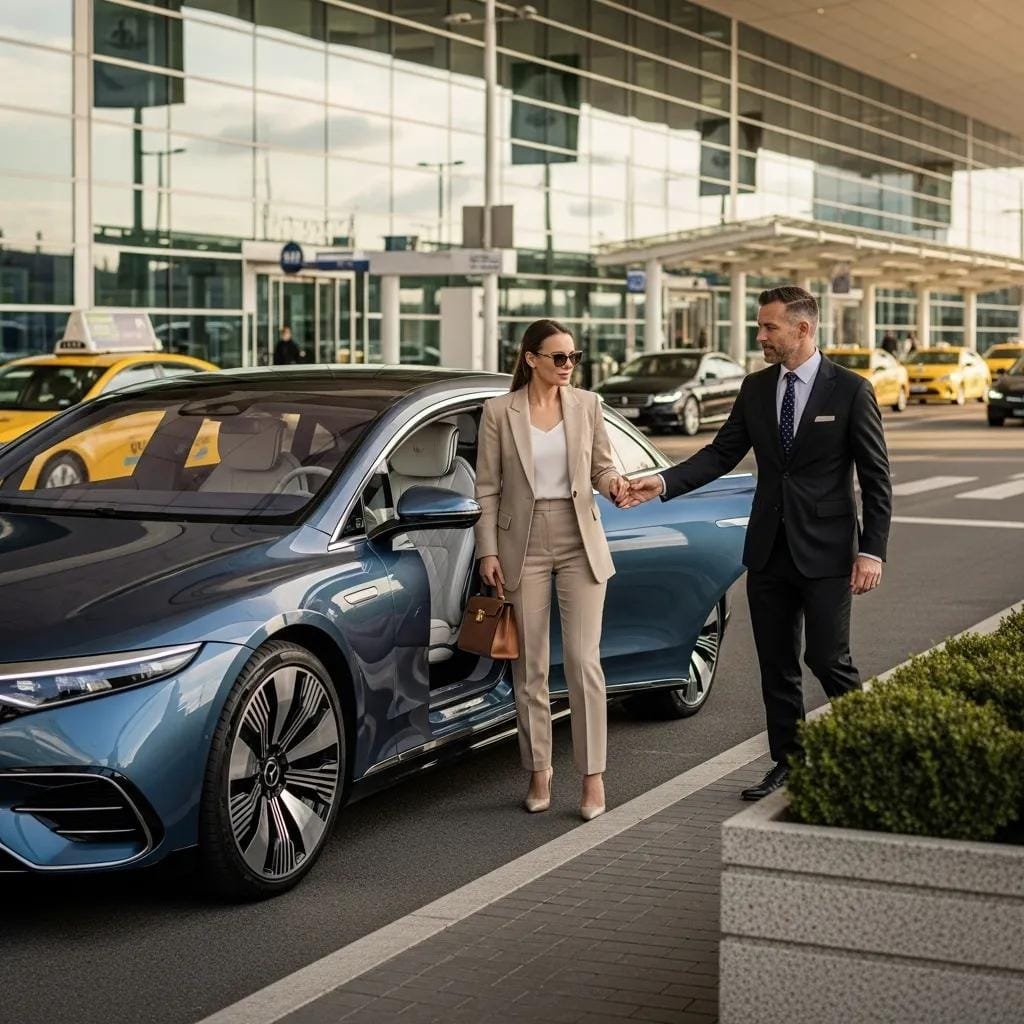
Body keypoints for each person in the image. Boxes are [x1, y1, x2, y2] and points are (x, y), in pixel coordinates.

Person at [618, 286, 892, 801]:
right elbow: (721, 453)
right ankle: (788, 763)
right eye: (760, 327)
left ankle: (867, 755)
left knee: (828, 659)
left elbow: (877, 479)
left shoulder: (851, 390)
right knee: (777, 665)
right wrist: (662, 482)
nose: (760, 336)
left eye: (768, 327)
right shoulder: (756, 387)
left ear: (802, 329)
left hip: (829, 551)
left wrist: (871, 550)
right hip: (768, 548)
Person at [475, 318, 629, 821]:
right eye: (558, 357)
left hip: (578, 535)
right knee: (531, 667)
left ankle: (593, 778)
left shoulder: (587, 406)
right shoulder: (500, 411)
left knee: (584, 662)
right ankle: (539, 771)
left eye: (573, 358)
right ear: (531, 359)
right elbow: (487, 488)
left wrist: (613, 485)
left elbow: (602, 466)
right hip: (522, 542)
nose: (568, 366)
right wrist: (487, 551)